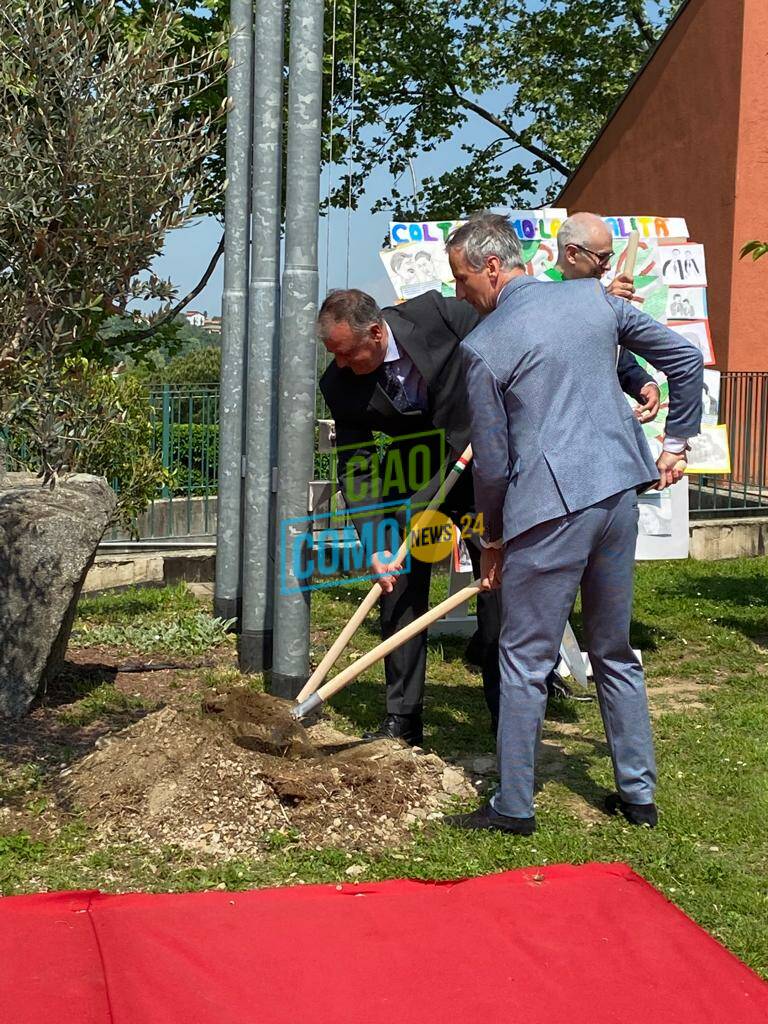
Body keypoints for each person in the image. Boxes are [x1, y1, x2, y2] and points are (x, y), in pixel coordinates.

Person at [443, 213, 703, 834]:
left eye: (460, 278)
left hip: (548, 512)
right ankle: (638, 797)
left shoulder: (482, 348)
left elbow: (495, 463)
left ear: (492, 267)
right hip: (617, 496)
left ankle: (513, 806)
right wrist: (677, 443)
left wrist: (494, 536)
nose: (459, 292)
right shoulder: (595, 302)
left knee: (524, 657)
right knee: (613, 650)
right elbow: (685, 360)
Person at [317, 288, 500, 746]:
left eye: (346, 352)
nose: (340, 363)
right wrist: (376, 541)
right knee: (398, 588)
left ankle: (507, 712)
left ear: (377, 334)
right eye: (332, 353)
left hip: (478, 463)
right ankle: (403, 719)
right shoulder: (337, 383)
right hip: (413, 471)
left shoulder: (439, 314)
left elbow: (505, 347)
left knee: (499, 584)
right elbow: (357, 463)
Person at [554, 212, 661, 425]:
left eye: (609, 257)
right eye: (601, 257)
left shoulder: (599, 294)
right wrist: (598, 306)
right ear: (572, 254)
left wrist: (644, 384)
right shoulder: (535, 292)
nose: (608, 266)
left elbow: (615, 358)